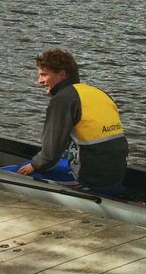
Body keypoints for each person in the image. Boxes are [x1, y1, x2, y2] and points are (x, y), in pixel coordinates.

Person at [12, 48, 128, 195]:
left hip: (91, 181)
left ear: (61, 74)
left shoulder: (63, 99)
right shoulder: (100, 93)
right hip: (117, 176)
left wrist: (34, 165)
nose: (39, 81)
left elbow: (50, 155)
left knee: (14, 172)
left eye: (44, 75)